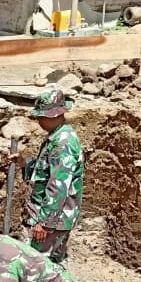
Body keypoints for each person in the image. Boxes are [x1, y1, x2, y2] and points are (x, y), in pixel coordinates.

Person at [18, 86, 84, 263]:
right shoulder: (56, 136)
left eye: (41, 116)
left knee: (40, 266)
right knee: (47, 265)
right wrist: (24, 163)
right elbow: (46, 171)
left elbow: (58, 186)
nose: (38, 120)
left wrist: (45, 223)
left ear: (53, 115)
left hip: (54, 219)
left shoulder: (63, 143)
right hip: (53, 217)